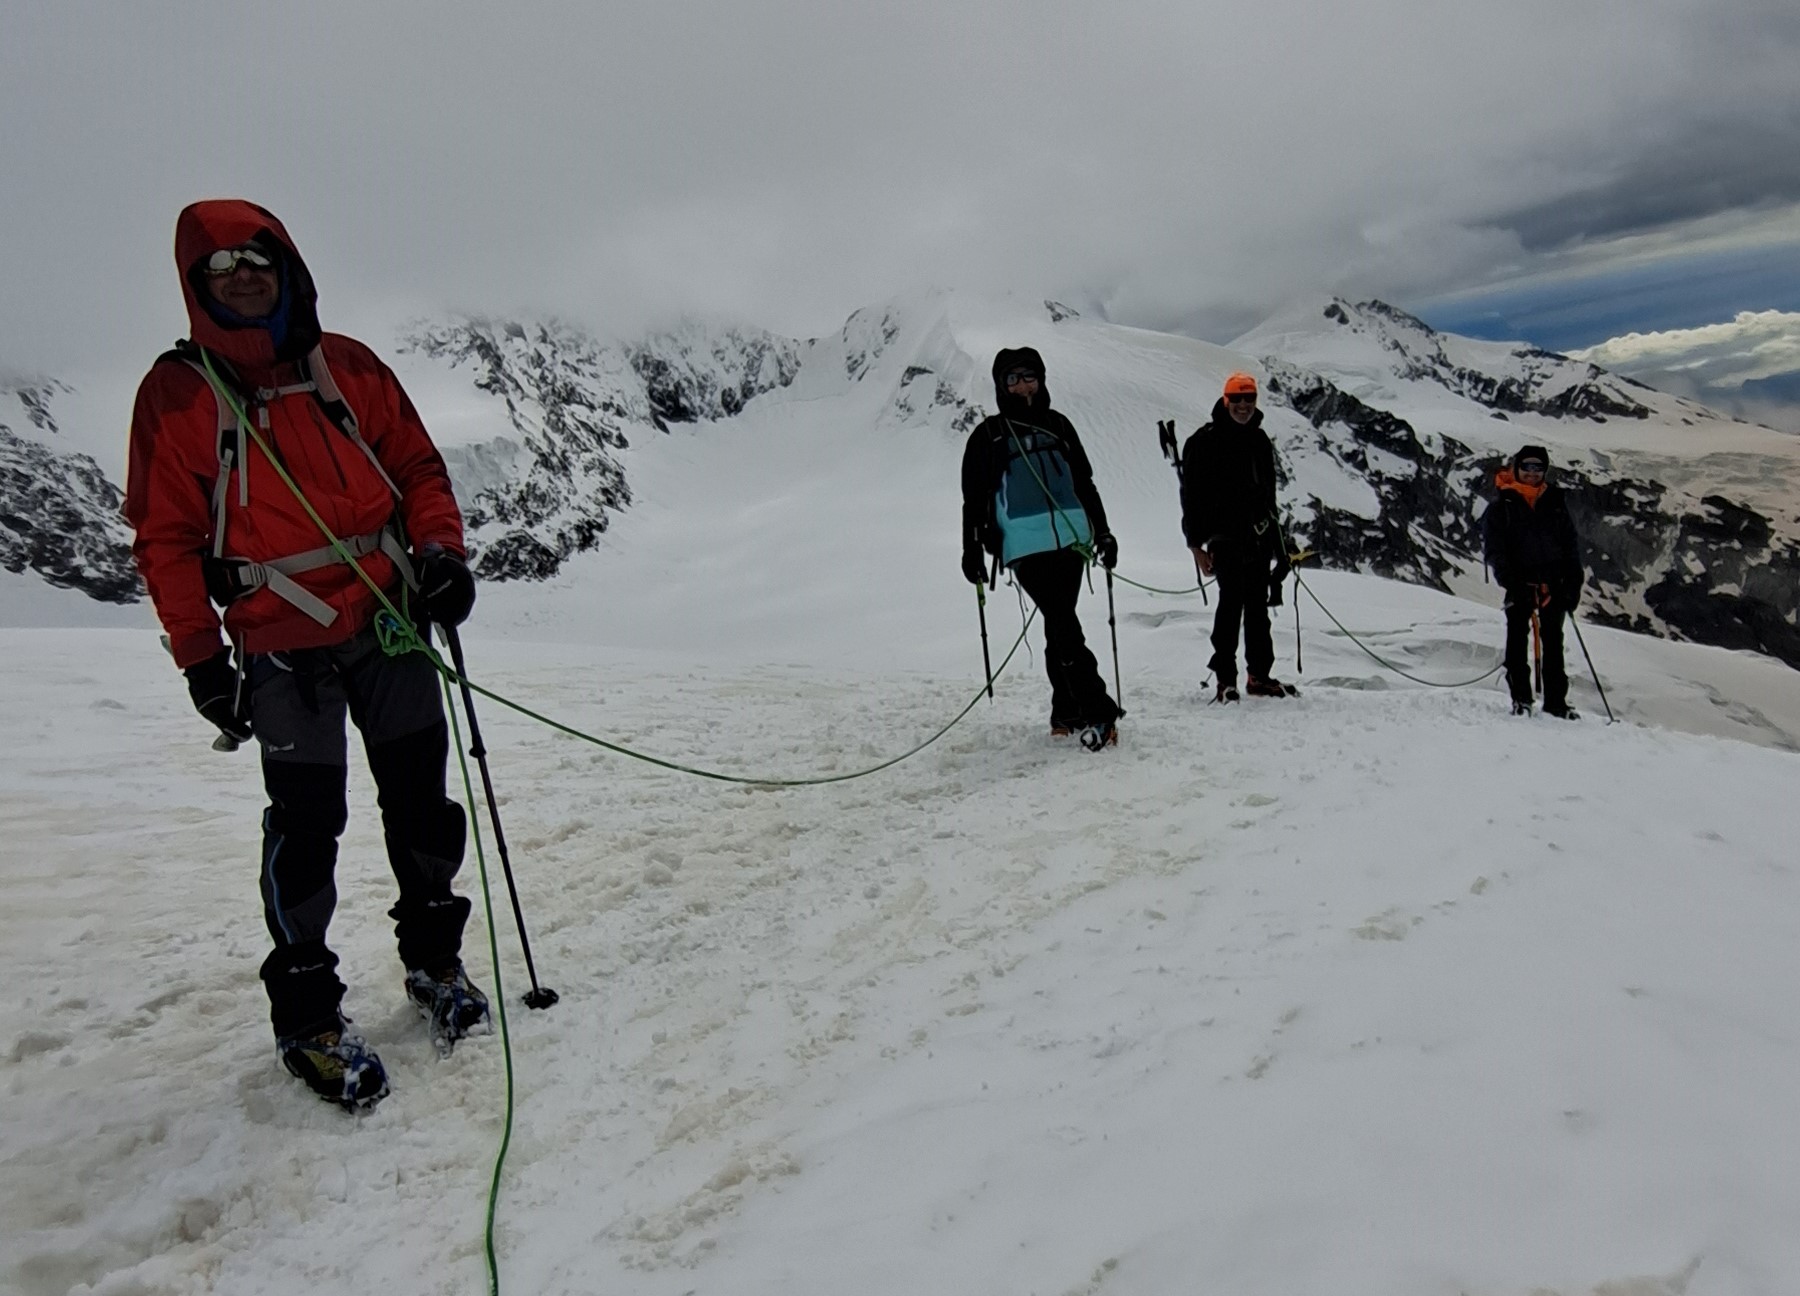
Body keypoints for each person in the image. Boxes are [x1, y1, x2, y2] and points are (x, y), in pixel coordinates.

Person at [125, 200, 489, 1110]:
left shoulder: (350, 367)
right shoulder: (176, 396)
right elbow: (164, 538)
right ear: (196, 282)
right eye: (221, 265)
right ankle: (307, 1016)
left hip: (389, 620)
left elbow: (416, 469)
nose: (242, 274)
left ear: (286, 265)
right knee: (306, 825)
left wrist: (440, 552)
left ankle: (435, 961)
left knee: (419, 801)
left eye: (258, 257)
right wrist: (201, 658)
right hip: (281, 643)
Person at [961, 347, 1123, 745]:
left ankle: (1065, 712)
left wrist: (1102, 531)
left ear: (1041, 379)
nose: (1021, 385)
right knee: (1064, 622)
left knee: (1059, 623)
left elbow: (1084, 482)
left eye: (1028, 376)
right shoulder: (989, 435)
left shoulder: (1060, 426)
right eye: (1012, 379)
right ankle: (1098, 709)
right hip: (1023, 545)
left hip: (1072, 539)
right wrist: (971, 549)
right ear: (1000, 385)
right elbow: (974, 498)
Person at [1180, 372, 1292, 701]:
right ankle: (1227, 678)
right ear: (1225, 400)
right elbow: (1191, 496)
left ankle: (1258, 675)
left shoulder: (1258, 441)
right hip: (1223, 539)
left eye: (1249, 399)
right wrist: (1195, 544)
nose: (1243, 406)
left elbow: (1268, 498)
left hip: (1256, 537)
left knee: (1256, 607)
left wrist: (1277, 542)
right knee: (1231, 604)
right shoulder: (1204, 441)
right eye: (1237, 399)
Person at [1482, 444, 1584, 718]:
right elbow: (1495, 551)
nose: (1532, 473)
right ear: (1516, 467)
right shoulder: (1501, 508)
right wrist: (1513, 584)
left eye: (1538, 467)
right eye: (1527, 466)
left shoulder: (1554, 504)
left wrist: (1572, 583)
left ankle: (1555, 703)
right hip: (1520, 584)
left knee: (1553, 642)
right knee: (1517, 642)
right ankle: (1521, 699)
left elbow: (1570, 547)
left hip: (1554, 583)